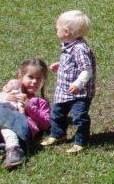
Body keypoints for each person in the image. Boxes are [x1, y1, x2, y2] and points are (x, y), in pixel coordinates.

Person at [41, 10, 96, 155]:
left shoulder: (79, 49)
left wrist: (79, 84)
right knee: (57, 113)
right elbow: (74, 63)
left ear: (66, 32)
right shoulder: (69, 44)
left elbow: (86, 70)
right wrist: (61, 65)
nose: (56, 30)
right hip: (64, 90)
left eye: (57, 28)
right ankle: (58, 134)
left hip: (80, 93)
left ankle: (81, 141)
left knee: (79, 117)